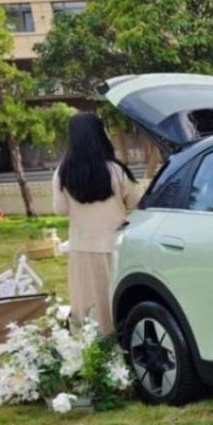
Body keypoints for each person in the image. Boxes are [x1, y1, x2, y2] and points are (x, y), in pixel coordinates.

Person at [52, 112, 141, 334]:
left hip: (82, 247)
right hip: (116, 245)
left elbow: (60, 210)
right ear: (101, 135)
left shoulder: (62, 173)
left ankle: (93, 346)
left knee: (88, 302)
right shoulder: (116, 170)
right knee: (118, 299)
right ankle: (123, 342)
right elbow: (136, 202)